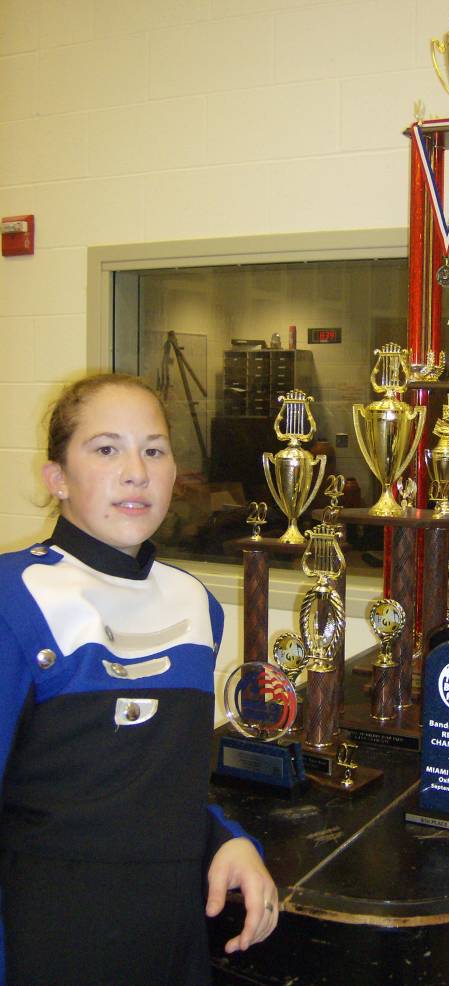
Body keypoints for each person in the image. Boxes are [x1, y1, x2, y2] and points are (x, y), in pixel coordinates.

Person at [0, 373, 278, 986]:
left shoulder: (194, 603)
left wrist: (225, 839)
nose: (136, 472)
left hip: (169, 936)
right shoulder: (14, 598)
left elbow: (162, 782)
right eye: (106, 449)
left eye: (154, 450)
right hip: (50, 940)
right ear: (57, 478)